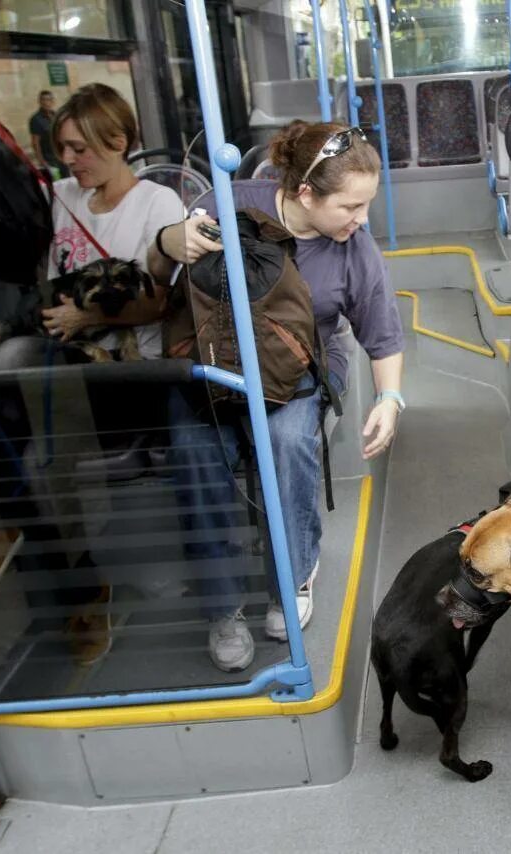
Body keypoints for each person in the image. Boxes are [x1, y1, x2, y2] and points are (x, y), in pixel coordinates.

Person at [0, 76, 184, 663]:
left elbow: (167, 301)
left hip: (127, 377)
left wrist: (87, 316)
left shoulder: (158, 206)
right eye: (62, 149)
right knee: (9, 415)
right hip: (62, 373)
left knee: (16, 376)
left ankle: (7, 528)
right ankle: (76, 580)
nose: (69, 160)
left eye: (80, 148)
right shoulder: (59, 196)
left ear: (119, 140)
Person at [149, 121, 405, 671]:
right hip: (217, 360)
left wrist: (389, 399)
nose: (362, 220)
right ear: (305, 194)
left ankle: (292, 575)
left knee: (287, 437)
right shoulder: (229, 205)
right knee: (195, 452)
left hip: (303, 364)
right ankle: (222, 606)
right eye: (351, 207)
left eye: (366, 206)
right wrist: (175, 239)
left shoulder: (354, 250)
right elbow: (160, 262)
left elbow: (381, 334)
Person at [29, 89, 65, 178]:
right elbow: (35, 142)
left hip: (61, 156)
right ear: (39, 101)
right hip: (49, 159)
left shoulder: (56, 115)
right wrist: (42, 162)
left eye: (49, 99)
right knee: (56, 183)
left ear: (53, 101)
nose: (46, 102)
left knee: (67, 181)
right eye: (43, 100)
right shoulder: (36, 119)